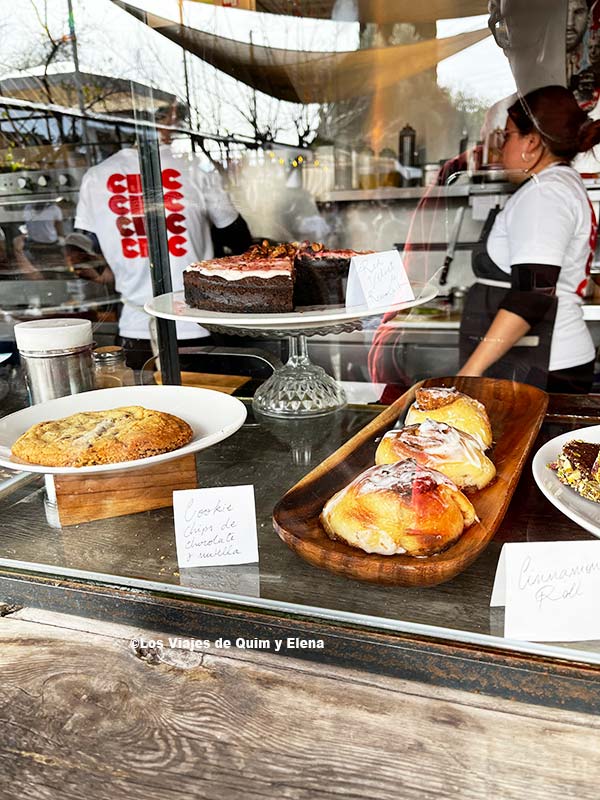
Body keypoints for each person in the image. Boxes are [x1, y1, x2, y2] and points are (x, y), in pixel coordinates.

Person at [74, 101, 251, 369]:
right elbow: (236, 236)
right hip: (197, 325)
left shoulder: (95, 177)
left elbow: (84, 247)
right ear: (165, 120)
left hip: (134, 329)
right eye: (173, 116)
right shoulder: (194, 169)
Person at [458, 85, 600, 393]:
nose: (500, 148)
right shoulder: (560, 185)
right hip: (544, 360)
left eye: (507, 136)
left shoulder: (545, 194)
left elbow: (532, 296)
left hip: (541, 364)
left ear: (532, 143)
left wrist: (471, 371)